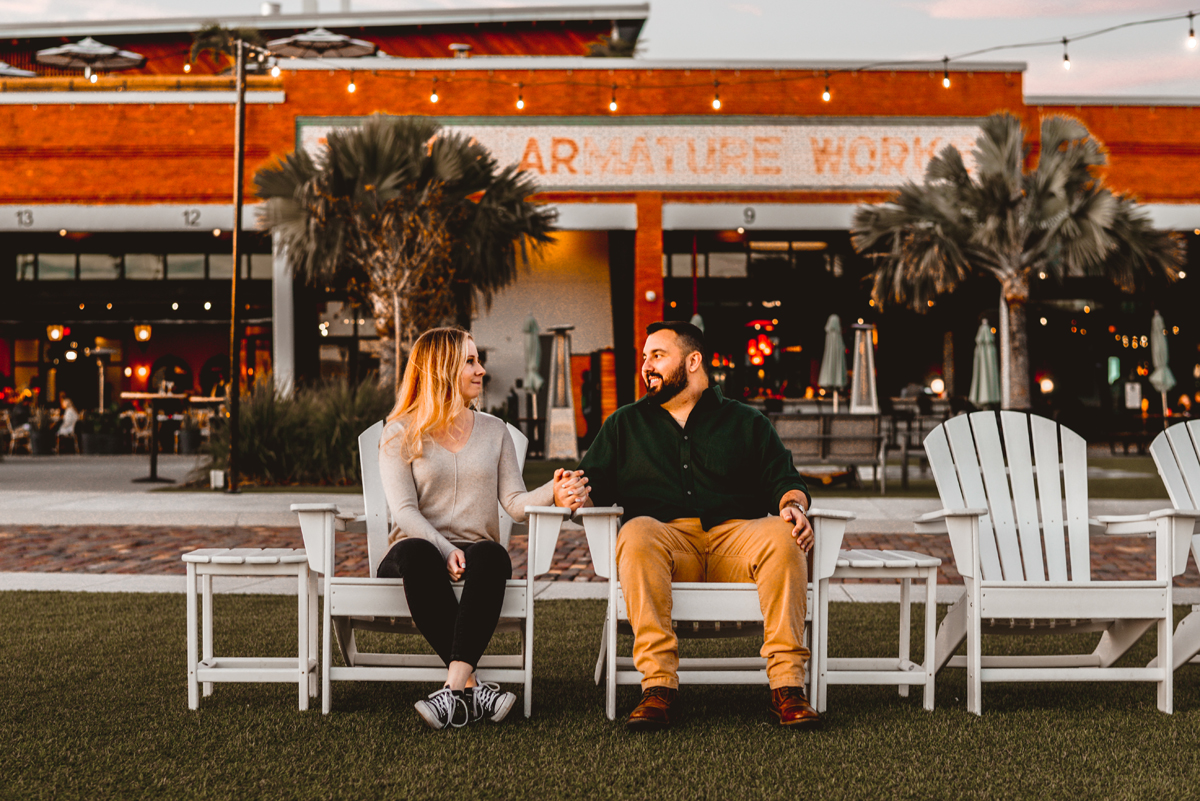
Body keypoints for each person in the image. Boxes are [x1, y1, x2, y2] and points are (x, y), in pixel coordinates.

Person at [563, 321, 816, 732]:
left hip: (736, 540)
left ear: (693, 361)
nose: (646, 365)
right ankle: (658, 687)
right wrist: (574, 494)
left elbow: (786, 481)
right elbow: (591, 490)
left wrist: (793, 507)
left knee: (781, 534)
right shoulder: (625, 424)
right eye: (644, 357)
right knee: (636, 532)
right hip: (666, 544)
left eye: (657, 355)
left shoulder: (746, 422)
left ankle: (787, 687)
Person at [377, 327, 581, 731]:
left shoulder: (494, 431)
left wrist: (553, 492)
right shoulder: (400, 431)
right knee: (418, 553)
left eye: (477, 359)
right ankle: (475, 689)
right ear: (441, 368)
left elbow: (514, 504)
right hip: (413, 554)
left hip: (474, 556)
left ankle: (454, 692)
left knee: (492, 554)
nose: (481, 370)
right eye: (470, 361)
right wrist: (441, 548)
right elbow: (403, 511)